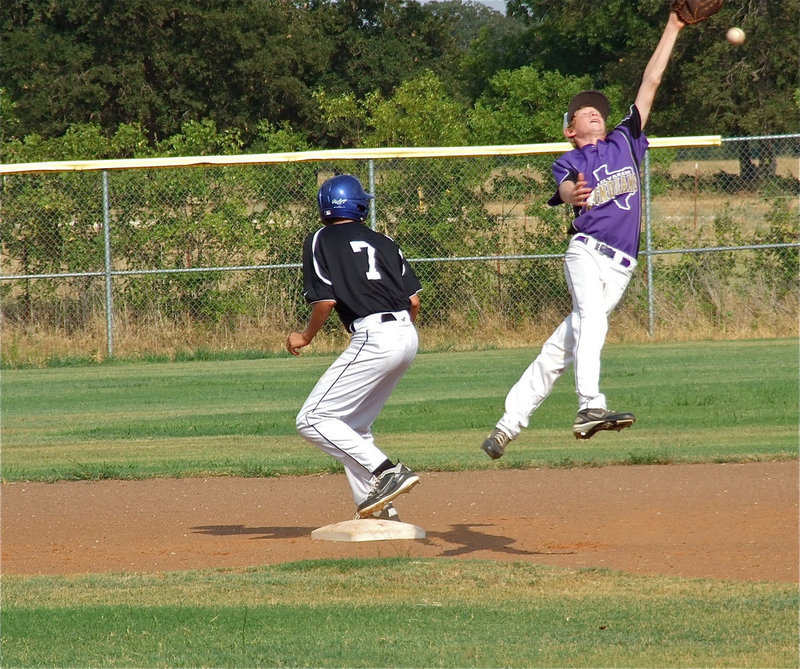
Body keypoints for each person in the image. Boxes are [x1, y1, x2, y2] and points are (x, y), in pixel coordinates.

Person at [481, 11, 686, 458]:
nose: (595, 114)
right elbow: (564, 187)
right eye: (584, 113)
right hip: (587, 253)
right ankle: (590, 406)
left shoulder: (625, 141)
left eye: (599, 111)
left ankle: (506, 426)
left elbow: (650, 83)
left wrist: (673, 26)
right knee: (594, 319)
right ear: (571, 130)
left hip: (622, 269)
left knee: (562, 347)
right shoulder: (570, 160)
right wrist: (572, 192)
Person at [287, 174, 422, 519]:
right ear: (360, 206)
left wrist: (304, 337)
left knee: (311, 419)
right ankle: (378, 508)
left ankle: (387, 472)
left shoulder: (320, 239)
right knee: (355, 427)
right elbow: (415, 302)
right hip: (406, 334)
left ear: (324, 210)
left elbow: (325, 302)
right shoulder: (384, 240)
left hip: (374, 335)